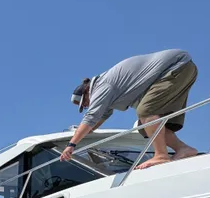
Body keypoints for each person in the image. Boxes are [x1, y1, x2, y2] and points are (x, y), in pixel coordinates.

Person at [60, 49, 199, 169]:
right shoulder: (107, 95)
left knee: (146, 112)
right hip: (182, 69)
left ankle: (161, 155)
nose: (86, 106)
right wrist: (81, 134)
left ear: (87, 91)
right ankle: (183, 149)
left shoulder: (101, 86)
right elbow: (96, 121)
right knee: (144, 126)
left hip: (177, 66)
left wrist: (71, 145)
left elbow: (91, 117)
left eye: (84, 102)